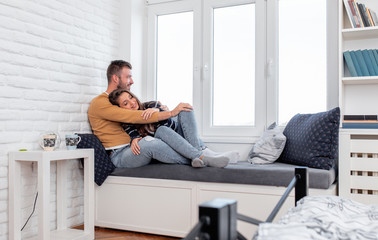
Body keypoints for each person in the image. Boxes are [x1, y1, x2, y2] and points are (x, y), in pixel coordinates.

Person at [88, 60, 231, 169]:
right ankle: (201, 156)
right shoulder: (100, 103)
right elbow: (132, 116)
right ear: (115, 78)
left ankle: (199, 153)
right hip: (121, 153)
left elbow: (138, 111)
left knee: (181, 112)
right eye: (128, 77)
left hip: (137, 144)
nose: (132, 81)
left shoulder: (116, 101)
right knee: (152, 143)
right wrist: (170, 112)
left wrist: (159, 110)